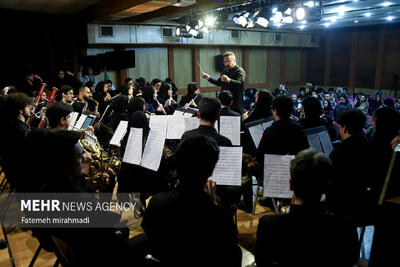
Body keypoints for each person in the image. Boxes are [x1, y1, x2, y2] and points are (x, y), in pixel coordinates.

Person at [141, 135, 242, 266]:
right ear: (211, 170)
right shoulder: (220, 216)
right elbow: (228, 244)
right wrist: (213, 204)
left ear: (177, 166)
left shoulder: (157, 202)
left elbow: (151, 233)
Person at [256, 149, 358, 267]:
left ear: (291, 184)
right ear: (326, 186)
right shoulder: (345, 227)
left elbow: (262, 262)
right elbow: (350, 261)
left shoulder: (267, 224)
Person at [327, 109, 373, 222]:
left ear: (345, 128)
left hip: (343, 207)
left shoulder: (339, 152)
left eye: (341, 127)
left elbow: (330, 180)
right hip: (367, 205)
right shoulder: (370, 146)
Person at [255, 95, 309, 165]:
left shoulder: (269, 131)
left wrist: (262, 140)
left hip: (274, 171)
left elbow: (259, 158)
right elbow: (306, 153)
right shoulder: (299, 129)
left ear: (275, 111)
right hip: (296, 171)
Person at [0, 92, 32, 189]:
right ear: (20, 110)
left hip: (15, 173)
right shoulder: (19, 131)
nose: (30, 108)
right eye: (27, 106)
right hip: (22, 178)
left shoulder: (11, 126)